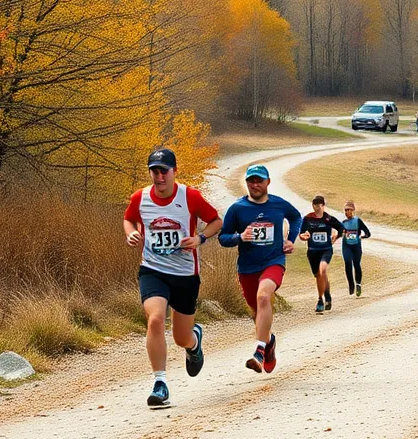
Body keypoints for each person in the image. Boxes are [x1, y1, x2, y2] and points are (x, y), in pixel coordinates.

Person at [123, 148, 222, 409]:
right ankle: (160, 383)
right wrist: (131, 233)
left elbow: (215, 221)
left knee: (181, 337)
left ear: (174, 171)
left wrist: (200, 238)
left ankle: (194, 342)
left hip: (185, 275)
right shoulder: (140, 197)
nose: (159, 177)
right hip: (153, 270)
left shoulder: (189, 196)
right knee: (155, 318)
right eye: (154, 171)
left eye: (163, 171)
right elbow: (129, 219)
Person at [219, 164, 303, 373]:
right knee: (257, 313)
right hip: (247, 267)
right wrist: (240, 237)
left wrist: (290, 240)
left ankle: (259, 351)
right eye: (251, 181)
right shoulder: (237, 209)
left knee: (264, 297)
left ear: (268, 182)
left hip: (273, 261)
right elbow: (223, 237)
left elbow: (296, 217)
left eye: (259, 180)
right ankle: (270, 343)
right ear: (246, 182)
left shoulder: (278, 204)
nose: (255, 185)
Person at [299, 195, 344, 313]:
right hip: (313, 251)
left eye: (319, 205)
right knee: (319, 276)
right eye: (315, 205)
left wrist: (337, 236)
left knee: (322, 270)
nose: (317, 207)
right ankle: (327, 295)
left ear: (323, 206)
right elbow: (301, 233)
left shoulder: (328, 219)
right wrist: (303, 237)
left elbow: (341, 228)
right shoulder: (307, 218)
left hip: (326, 250)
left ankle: (320, 300)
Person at [340, 200, 371, 296]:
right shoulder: (343, 223)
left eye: (349, 210)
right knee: (348, 263)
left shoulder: (357, 221)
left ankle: (358, 284)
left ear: (353, 210)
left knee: (356, 264)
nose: (347, 212)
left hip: (356, 246)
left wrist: (363, 236)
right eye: (345, 210)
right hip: (346, 246)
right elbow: (338, 233)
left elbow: (367, 233)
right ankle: (351, 284)